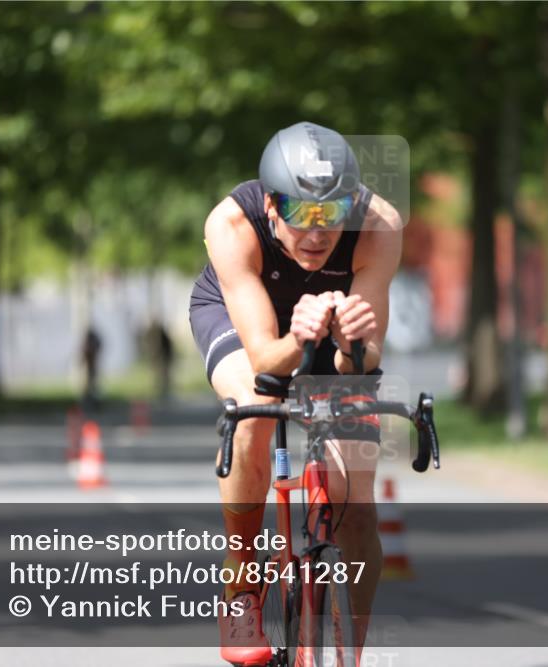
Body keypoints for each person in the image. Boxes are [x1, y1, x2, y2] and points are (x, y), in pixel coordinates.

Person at [188, 122, 402, 665]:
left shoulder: (379, 225)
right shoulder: (231, 224)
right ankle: (241, 591)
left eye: (331, 213)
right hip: (246, 322)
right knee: (252, 411)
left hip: (330, 324)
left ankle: (350, 649)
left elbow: (363, 361)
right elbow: (265, 360)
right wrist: (299, 335)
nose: (316, 231)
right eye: (299, 211)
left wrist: (351, 340)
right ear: (269, 205)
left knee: (357, 501)